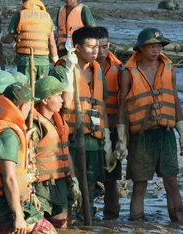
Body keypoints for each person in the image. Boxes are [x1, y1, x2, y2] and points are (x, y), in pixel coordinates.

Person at [118, 27, 183, 222]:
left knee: (171, 181)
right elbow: (122, 108)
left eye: (159, 46)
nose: (156, 50)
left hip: (165, 133)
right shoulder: (128, 73)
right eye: (152, 46)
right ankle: (136, 222)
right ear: (141, 48)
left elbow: (175, 101)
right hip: (141, 136)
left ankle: (179, 221)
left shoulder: (169, 69)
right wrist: (120, 138)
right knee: (140, 184)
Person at [50, 26, 112, 218]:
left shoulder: (97, 71)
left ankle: (87, 219)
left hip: (94, 138)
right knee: (72, 185)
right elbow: (66, 103)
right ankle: (70, 221)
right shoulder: (61, 71)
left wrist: (107, 137)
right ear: (76, 47)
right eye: (90, 47)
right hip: (71, 139)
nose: (96, 51)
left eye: (97, 47)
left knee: (91, 186)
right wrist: (70, 71)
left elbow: (101, 105)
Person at [0, 82, 57, 233]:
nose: (31, 109)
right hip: (1, 204)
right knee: (45, 230)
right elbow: (10, 178)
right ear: (21, 106)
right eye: (29, 105)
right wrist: (18, 215)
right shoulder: (8, 134)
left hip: (0, 200)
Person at [31, 75, 82, 228]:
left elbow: (65, 153)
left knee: (61, 224)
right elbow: (26, 159)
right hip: (40, 185)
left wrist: (73, 180)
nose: (62, 100)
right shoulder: (34, 126)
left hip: (59, 182)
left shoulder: (59, 122)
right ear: (45, 100)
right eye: (58, 96)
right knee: (39, 227)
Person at [95, 26, 123, 220]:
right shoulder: (81, 68)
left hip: (112, 129)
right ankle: (84, 213)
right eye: (97, 48)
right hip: (89, 130)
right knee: (88, 175)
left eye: (105, 47)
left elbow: (124, 105)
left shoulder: (120, 70)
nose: (101, 52)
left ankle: (111, 217)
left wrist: (122, 137)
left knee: (112, 177)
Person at [0, 0, 58, 81]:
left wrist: (0, 38)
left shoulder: (19, 16)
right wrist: (56, 60)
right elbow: (52, 43)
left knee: (25, 91)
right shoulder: (47, 17)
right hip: (43, 62)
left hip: (25, 61)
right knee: (42, 90)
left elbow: (9, 39)